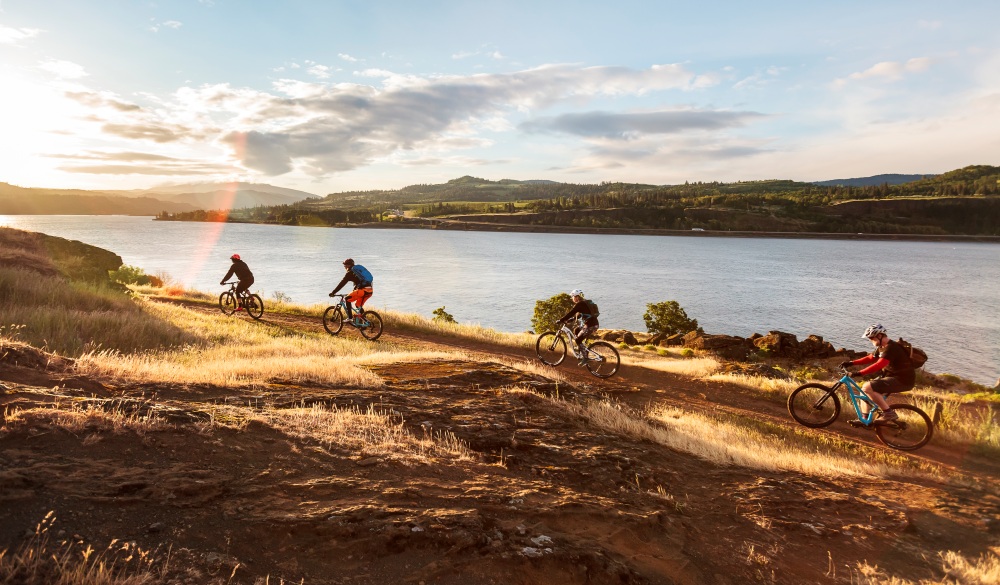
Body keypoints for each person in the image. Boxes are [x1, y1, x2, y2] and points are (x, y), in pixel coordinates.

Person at [839, 324, 916, 423]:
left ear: (880, 336)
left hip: (903, 380)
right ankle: (865, 419)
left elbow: (879, 365)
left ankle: (889, 413)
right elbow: (870, 358)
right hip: (892, 377)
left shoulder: (891, 348)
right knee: (864, 390)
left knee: (867, 387)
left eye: (871, 337)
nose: (870, 340)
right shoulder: (882, 346)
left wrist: (858, 373)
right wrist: (851, 363)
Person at [555, 289, 600, 364]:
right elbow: (580, 315)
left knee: (578, 340)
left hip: (590, 325)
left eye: (573, 297)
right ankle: (580, 348)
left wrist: (561, 320)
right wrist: (571, 319)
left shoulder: (579, 304)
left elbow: (571, 312)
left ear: (577, 297)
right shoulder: (585, 303)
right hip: (593, 324)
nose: (572, 298)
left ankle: (586, 358)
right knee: (577, 330)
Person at [329, 258, 373, 324]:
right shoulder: (358, 273)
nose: (344, 267)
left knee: (347, 299)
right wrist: (355, 289)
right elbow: (359, 282)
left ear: (348, 265)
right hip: (369, 291)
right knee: (358, 305)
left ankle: (350, 318)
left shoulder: (349, 273)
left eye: (345, 265)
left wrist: (333, 292)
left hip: (362, 291)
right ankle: (365, 321)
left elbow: (341, 284)